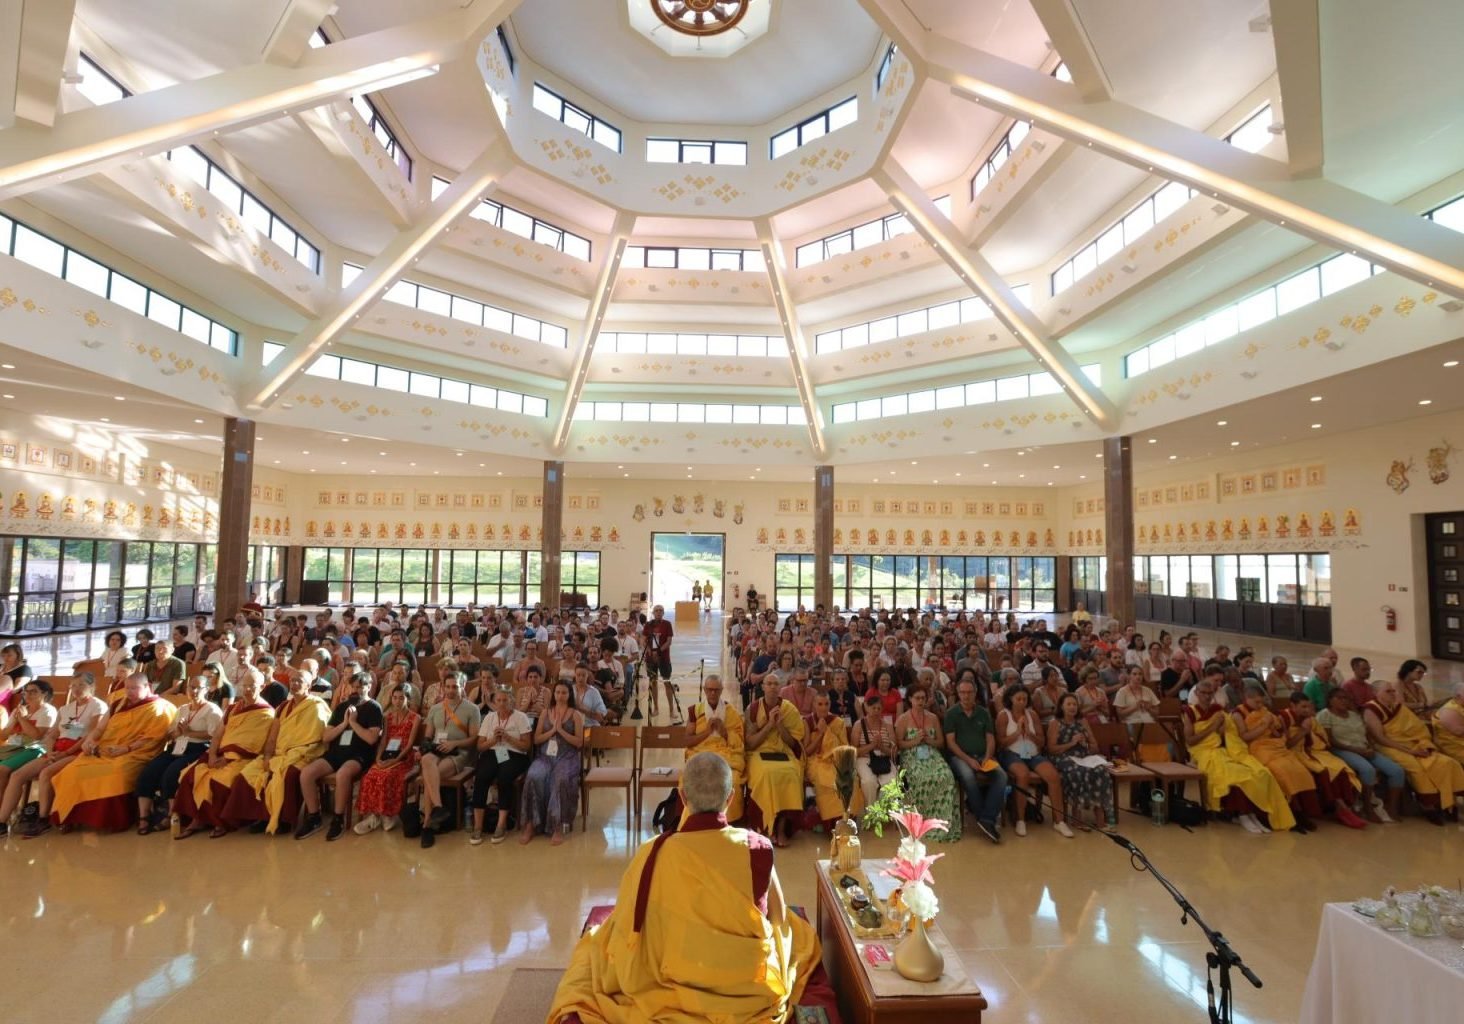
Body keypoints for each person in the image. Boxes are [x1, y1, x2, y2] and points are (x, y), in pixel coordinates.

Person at [546, 751, 824, 1024]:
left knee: (598, 944)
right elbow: (776, 919)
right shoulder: (756, 848)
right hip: (745, 987)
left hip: (670, 973)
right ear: (731, 798)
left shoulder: (652, 852)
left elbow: (628, 923)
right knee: (797, 935)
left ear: (682, 798)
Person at [34, 673, 176, 835]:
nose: (129, 692)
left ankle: (110, 820)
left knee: (113, 772)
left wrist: (126, 749)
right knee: (70, 773)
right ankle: (70, 816)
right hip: (104, 751)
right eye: (127, 688)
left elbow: (153, 737)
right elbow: (100, 729)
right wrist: (90, 741)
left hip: (134, 754)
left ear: (148, 687)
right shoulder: (118, 704)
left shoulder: (161, 707)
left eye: (134, 688)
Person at [1182, 677, 1295, 834]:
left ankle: (1249, 814)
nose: (1207, 696)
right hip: (1202, 753)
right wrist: (1212, 727)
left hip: (1221, 750)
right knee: (1236, 775)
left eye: (1210, 693)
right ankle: (1242, 815)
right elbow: (1190, 741)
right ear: (1196, 693)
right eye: (1203, 693)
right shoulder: (1189, 712)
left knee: (1251, 773)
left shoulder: (1217, 710)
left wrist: (1222, 728)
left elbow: (1228, 735)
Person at [225, 669, 330, 835]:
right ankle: (261, 816)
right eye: (292, 680)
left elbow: (316, 738)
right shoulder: (282, 707)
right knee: (247, 775)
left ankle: (284, 820)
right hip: (279, 753)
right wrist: (267, 755)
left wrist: (292, 753)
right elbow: (273, 736)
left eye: (299, 681)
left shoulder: (316, 706)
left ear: (308, 685)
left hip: (304, 754)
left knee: (288, 776)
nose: (294, 684)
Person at [173, 672, 275, 838]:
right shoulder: (233, 708)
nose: (247, 689)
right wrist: (212, 754)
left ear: (262, 687)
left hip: (243, 759)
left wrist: (228, 758)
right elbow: (218, 734)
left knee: (219, 781)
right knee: (189, 775)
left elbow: (254, 744)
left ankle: (220, 822)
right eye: (245, 685)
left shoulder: (266, 713)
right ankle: (197, 819)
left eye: (252, 686)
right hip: (220, 754)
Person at [0, 676, 106, 834]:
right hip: (56, 749)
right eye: (73, 685)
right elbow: (51, 735)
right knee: (17, 775)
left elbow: (91, 735)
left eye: (81, 685)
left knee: (46, 773)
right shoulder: (65, 708)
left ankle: (43, 819)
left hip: (77, 749)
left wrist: (66, 752)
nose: (76, 688)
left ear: (91, 687)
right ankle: (2, 822)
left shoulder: (98, 706)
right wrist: (50, 753)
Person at [294, 671, 383, 841]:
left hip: (359, 755)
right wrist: (344, 723)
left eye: (360, 687)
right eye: (354, 687)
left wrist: (354, 723)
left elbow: (371, 739)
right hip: (336, 753)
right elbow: (326, 737)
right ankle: (314, 817)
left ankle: (338, 818)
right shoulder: (343, 707)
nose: (356, 690)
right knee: (306, 774)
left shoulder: (374, 708)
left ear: (369, 687)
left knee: (343, 774)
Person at [1363, 678, 1464, 824]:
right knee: (1416, 768)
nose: (1392, 693)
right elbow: (1380, 739)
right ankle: (1428, 806)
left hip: (1413, 744)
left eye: (1393, 690)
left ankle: (1449, 804)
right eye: (1388, 691)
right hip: (1388, 747)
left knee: (1446, 762)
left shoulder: (1398, 706)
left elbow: (1417, 728)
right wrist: (1411, 752)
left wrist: (1423, 744)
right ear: (1376, 693)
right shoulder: (1370, 709)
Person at [135, 674, 222, 834]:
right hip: (177, 747)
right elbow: (171, 733)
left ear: (207, 689)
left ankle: (172, 815)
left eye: (198, 688)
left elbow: (214, 735)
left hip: (198, 749)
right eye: (191, 687)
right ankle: (144, 817)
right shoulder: (182, 709)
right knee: (148, 772)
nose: (194, 691)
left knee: (171, 773)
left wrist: (189, 732)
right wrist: (177, 732)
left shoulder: (212, 710)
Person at [1233, 682, 1320, 832]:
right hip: (1258, 748)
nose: (1260, 705)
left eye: (1261, 701)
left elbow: (1279, 733)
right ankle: (1289, 813)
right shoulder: (1237, 713)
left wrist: (1274, 728)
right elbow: (1245, 737)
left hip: (1276, 746)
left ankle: (1300, 813)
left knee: (1299, 769)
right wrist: (1263, 725)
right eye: (1256, 702)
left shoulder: (1266, 711)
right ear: (1246, 698)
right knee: (1281, 771)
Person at [995, 684, 1072, 838]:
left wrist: (1029, 733)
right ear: (1011, 699)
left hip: (1033, 753)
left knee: (1053, 776)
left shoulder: (1033, 715)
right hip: (1011, 753)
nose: (1022, 702)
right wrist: (1017, 732)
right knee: (1022, 775)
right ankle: (1020, 820)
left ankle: (1059, 821)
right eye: (1018, 699)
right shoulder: (1004, 715)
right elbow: (1001, 743)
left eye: (1024, 699)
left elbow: (1042, 742)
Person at [1283, 692, 1367, 829]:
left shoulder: (1310, 718)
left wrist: (1312, 732)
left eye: (1309, 707)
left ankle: (1346, 808)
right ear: (1292, 706)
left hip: (1314, 751)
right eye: (1303, 707)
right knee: (1324, 771)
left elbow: (1322, 738)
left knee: (1340, 768)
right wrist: (1303, 731)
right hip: (1295, 753)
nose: (1307, 710)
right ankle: (1341, 809)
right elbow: (1286, 745)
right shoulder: (1285, 718)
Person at [1317, 688, 1402, 823]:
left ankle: (1392, 808)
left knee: (1396, 770)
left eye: (1346, 698)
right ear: (1330, 700)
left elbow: (1365, 733)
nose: (1344, 701)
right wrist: (1357, 750)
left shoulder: (1353, 715)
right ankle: (1368, 808)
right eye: (1339, 698)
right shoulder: (1325, 715)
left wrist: (1370, 747)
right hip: (1341, 749)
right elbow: (1330, 741)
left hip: (1363, 748)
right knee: (1367, 770)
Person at [417, 672, 481, 848]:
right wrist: (425, 748)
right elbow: (428, 735)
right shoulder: (436, 708)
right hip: (437, 750)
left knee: (431, 776)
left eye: (455, 687)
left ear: (462, 687)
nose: (451, 690)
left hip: (459, 753)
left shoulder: (471, 709)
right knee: (427, 761)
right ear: (443, 687)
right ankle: (438, 808)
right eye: (448, 687)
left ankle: (427, 826)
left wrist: (454, 743)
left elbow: (474, 739)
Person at [945, 679, 1013, 843]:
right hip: (960, 757)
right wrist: (969, 760)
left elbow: (990, 739)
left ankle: (986, 818)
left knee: (1001, 776)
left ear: (975, 694)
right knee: (968, 776)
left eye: (969, 692)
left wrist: (987, 757)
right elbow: (951, 743)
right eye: (963, 692)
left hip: (984, 755)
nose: (966, 696)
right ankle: (986, 818)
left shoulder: (983, 712)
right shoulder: (951, 713)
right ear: (958, 694)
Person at [744, 673, 807, 848]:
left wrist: (779, 725)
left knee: (792, 774)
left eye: (775, 684)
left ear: (780, 688)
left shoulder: (789, 710)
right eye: (769, 684)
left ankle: (780, 827)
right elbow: (750, 743)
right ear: (762, 687)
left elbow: (793, 743)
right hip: (759, 753)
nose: (772, 687)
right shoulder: (753, 709)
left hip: (783, 752)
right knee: (766, 774)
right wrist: (769, 725)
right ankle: (765, 827)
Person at [520, 679, 584, 845]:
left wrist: (561, 730)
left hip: (567, 756)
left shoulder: (575, 715)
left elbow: (579, 742)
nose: (560, 696)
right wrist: (552, 731)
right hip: (545, 756)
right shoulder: (545, 713)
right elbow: (536, 739)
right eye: (557, 692)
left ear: (569, 695)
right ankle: (531, 824)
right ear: (553, 694)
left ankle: (558, 827)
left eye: (564, 692)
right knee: (534, 776)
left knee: (560, 779)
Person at [894, 687, 961, 842]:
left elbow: (941, 742)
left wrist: (929, 740)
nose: (920, 701)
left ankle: (943, 819)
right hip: (911, 755)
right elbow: (899, 744)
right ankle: (923, 819)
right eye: (917, 698)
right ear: (910, 699)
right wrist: (914, 741)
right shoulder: (903, 719)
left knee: (946, 776)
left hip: (932, 754)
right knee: (920, 777)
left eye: (923, 698)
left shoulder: (933, 718)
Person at [353, 684, 421, 834]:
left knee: (387, 776)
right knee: (370, 775)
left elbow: (410, 744)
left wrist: (395, 761)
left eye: (401, 698)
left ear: (407, 699)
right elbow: (383, 740)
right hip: (386, 755)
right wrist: (378, 758)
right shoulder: (387, 717)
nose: (397, 701)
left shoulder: (415, 718)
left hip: (404, 757)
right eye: (395, 698)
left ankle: (387, 814)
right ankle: (375, 815)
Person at [468, 686, 531, 845]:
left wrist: (508, 737)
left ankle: (501, 824)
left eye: (505, 700)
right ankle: (478, 826)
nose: (502, 704)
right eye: (499, 700)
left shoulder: (521, 717)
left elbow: (526, 746)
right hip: (492, 751)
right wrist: (493, 740)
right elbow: (480, 746)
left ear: (512, 701)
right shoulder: (489, 717)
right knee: (481, 777)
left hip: (515, 754)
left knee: (504, 778)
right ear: (494, 702)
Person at [1047, 693, 1116, 831]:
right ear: (1062, 706)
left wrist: (1086, 743)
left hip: (1083, 756)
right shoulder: (1055, 723)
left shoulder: (1082, 721)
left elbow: (1095, 747)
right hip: (1063, 756)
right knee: (1078, 772)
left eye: (1075, 704)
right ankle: (1076, 818)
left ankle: (1100, 818)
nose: (1072, 707)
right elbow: (1052, 749)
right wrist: (1071, 743)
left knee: (1101, 770)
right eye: (1069, 704)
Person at [684, 674, 745, 822]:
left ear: (721, 690)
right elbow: (688, 741)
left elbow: (740, 741)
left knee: (734, 780)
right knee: (693, 779)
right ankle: (696, 820)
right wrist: (707, 732)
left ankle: (730, 822)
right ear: (704, 690)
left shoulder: (731, 712)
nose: (713, 693)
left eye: (716, 690)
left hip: (726, 753)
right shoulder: (695, 711)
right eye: (710, 690)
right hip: (702, 752)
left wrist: (724, 731)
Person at [805, 692, 861, 828]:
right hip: (816, 761)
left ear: (830, 704)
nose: (823, 708)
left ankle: (848, 821)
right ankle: (831, 824)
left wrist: (829, 731)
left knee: (850, 780)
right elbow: (807, 751)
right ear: (814, 705)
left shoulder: (838, 722)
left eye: (826, 704)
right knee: (829, 782)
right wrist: (822, 733)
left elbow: (843, 749)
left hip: (836, 760)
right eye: (820, 704)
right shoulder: (807, 721)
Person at [851, 699, 897, 807]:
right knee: (868, 782)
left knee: (890, 782)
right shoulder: (859, 725)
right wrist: (872, 745)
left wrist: (881, 746)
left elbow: (894, 752)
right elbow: (854, 751)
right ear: (866, 708)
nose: (876, 711)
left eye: (879, 708)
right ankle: (871, 811)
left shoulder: (888, 726)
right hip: (864, 758)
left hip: (884, 759)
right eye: (873, 708)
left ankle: (884, 813)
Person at [643, 605, 677, 722]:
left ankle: (671, 709)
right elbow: (644, 640)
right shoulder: (648, 625)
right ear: (653, 613)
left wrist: (658, 651)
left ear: (663, 613)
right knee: (653, 682)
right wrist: (649, 651)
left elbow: (669, 641)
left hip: (664, 658)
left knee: (667, 682)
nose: (658, 612)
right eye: (656, 611)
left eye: (660, 611)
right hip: (650, 659)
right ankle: (656, 708)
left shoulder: (667, 624)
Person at [1433, 682, 1464, 767]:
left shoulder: (1461, 705)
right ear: (1458, 696)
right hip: (1455, 746)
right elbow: (1458, 731)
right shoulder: (1449, 710)